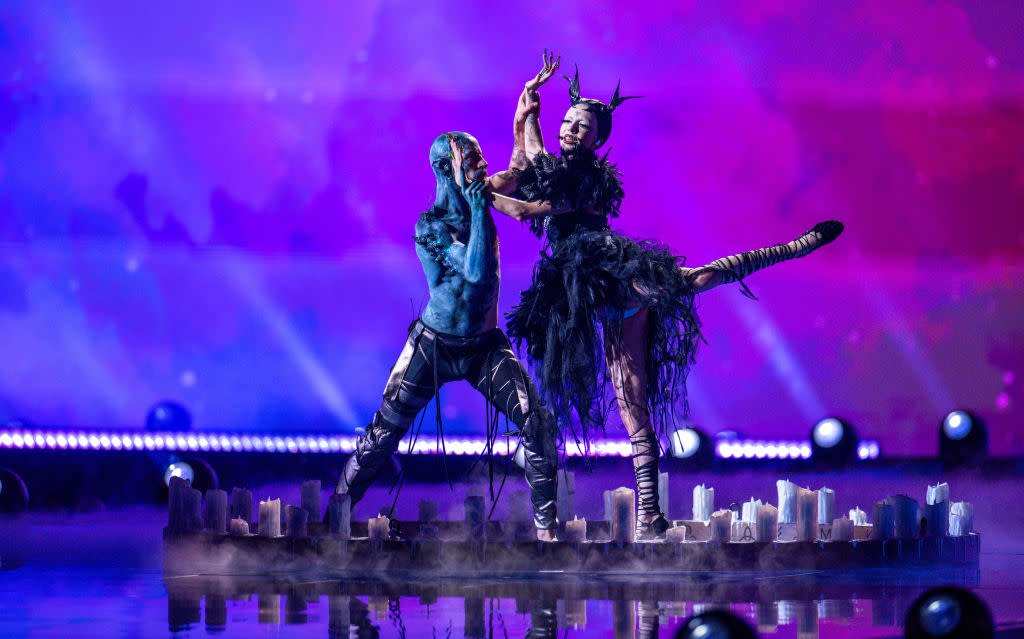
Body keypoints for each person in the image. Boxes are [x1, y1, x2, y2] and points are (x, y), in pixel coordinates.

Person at [482, 52, 844, 540]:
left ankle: (791, 248)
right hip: (579, 288)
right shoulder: (555, 162)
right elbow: (523, 162)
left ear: (597, 139)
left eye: (580, 127)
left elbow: (529, 209)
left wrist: (482, 195)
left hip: (607, 271)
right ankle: (650, 514)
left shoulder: (586, 175)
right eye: (567, 122)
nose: (569, 131)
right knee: (630, 402)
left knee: (689, 281)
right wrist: (528, 107)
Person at [335, 131, 559, 540]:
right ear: (446, 167)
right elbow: (477, 272)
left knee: (537, 422)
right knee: (383, 434)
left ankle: (548, 532)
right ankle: (335, 516)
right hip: (433, 345)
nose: (483, 166)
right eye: (472, 158)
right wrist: (477, 207)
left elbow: (521, 170)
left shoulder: (482, 193)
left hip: (484, 346)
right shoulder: (430, 226)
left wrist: (525, 116)